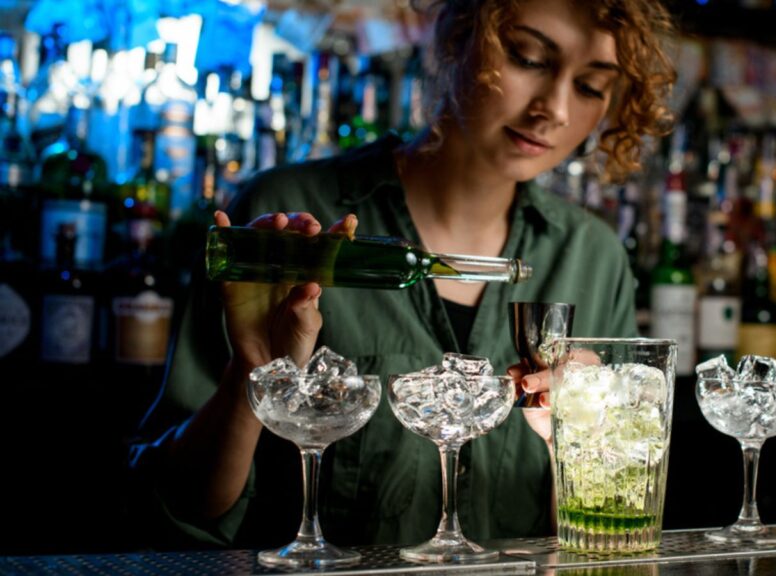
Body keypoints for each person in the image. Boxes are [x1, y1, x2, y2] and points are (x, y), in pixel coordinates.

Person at [128, 0, 677, 549]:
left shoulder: (592, 256)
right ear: (456, 39)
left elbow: (601, 541)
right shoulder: (292, 217)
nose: (554, 109)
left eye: (590, 86)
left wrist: (577, 443)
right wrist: (252, 372)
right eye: (528, 57)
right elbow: (184, 506)